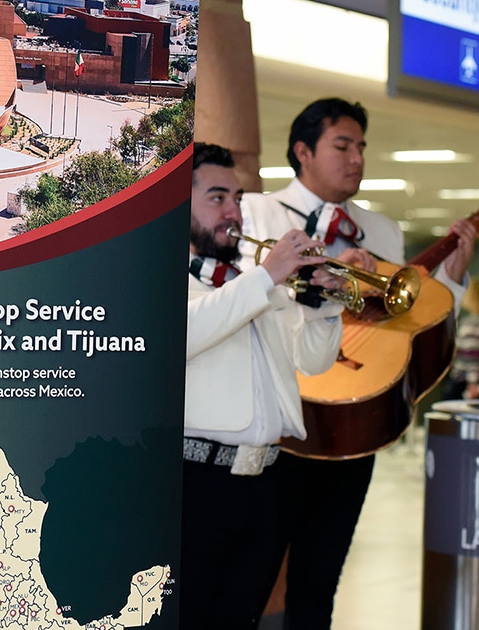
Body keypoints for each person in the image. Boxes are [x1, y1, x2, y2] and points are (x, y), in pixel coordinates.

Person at [238, 97, 476, 629]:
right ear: (303, 151)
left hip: (349, 426)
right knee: (246, 579)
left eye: (361, 147)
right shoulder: (259, 213)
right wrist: (320, 280)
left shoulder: (383, 230)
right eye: (342, 145)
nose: (356, 158)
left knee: (320, 581)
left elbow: (400, 322)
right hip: (274, 421)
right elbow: (245, 304)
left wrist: (452, 283)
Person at [182, 142, 345, 630]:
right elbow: (180, 336)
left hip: (264, 484)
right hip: (193, 485)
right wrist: (266, 277)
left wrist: (322, 306)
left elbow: (312, 363)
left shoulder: (250, 283)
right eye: (217, 198)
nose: (233, 211)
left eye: (237, 198)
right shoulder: (160, 278)